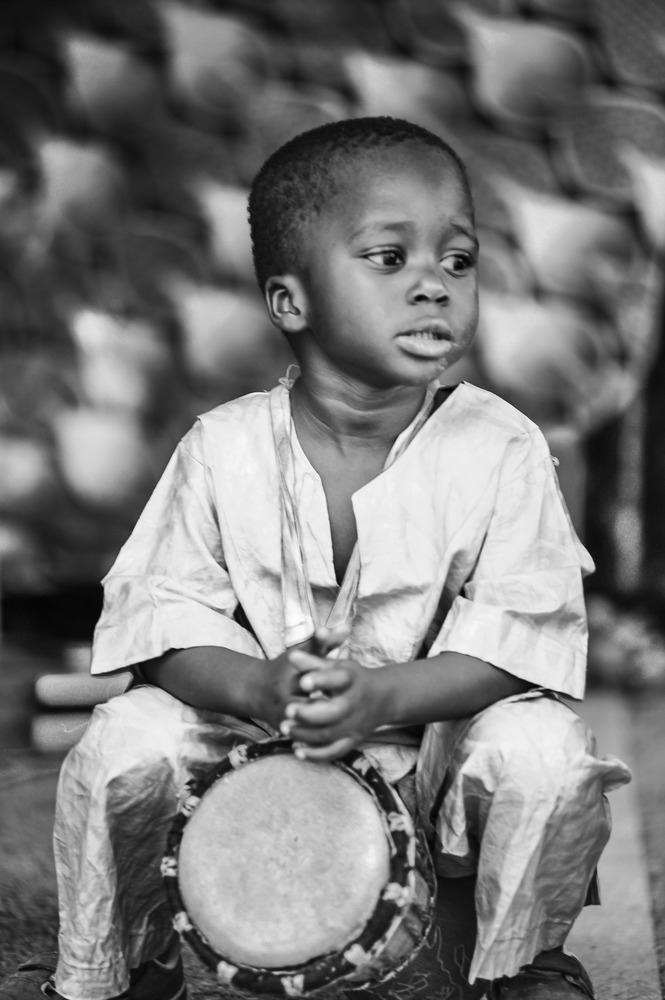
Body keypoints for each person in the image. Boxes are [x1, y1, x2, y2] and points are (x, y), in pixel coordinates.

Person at [2, 116, 631, 1000]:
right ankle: (117, 967)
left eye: (458, 261)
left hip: (436, 752)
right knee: (120, 742)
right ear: (290, 301)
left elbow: (519, 637)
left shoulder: (502, 444)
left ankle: (516, 961)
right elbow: (161, 623)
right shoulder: (221, 446)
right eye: (388, 258)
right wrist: (258, 688)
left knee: (547, 753)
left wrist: (381, 696)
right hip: (255, 741)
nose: (434, 287)